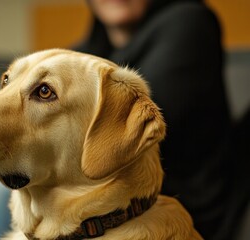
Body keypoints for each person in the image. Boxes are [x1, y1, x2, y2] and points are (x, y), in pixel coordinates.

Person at [76, 0, 232, 239]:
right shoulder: (91, 47)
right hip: (102, 213)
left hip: (174, 214)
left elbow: (115, 139)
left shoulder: (190, 22)